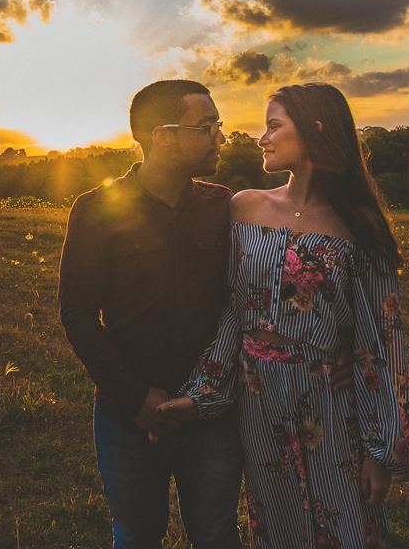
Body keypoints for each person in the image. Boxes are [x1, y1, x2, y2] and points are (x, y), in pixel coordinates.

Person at [161, 83, 409, 549]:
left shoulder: (358, 223)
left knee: (346, 525)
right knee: (275, 525)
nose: (262, 137)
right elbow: (234, 313)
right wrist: (202, 394)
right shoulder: (246, 208)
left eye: (274, 126)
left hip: (331, 400)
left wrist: (381, 451)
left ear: (315, 130)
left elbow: (384, 338)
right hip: (258, 398)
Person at [58, 79, 243, 549]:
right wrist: (135, 399)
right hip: (127, 418)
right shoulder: (97, 209)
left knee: (217, 534)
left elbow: (255, 299)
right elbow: (78, 313)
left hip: (212, 416)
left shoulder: (226, 207)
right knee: (136, 536)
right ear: (162, 135)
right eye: (207, 127)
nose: (221, 137)